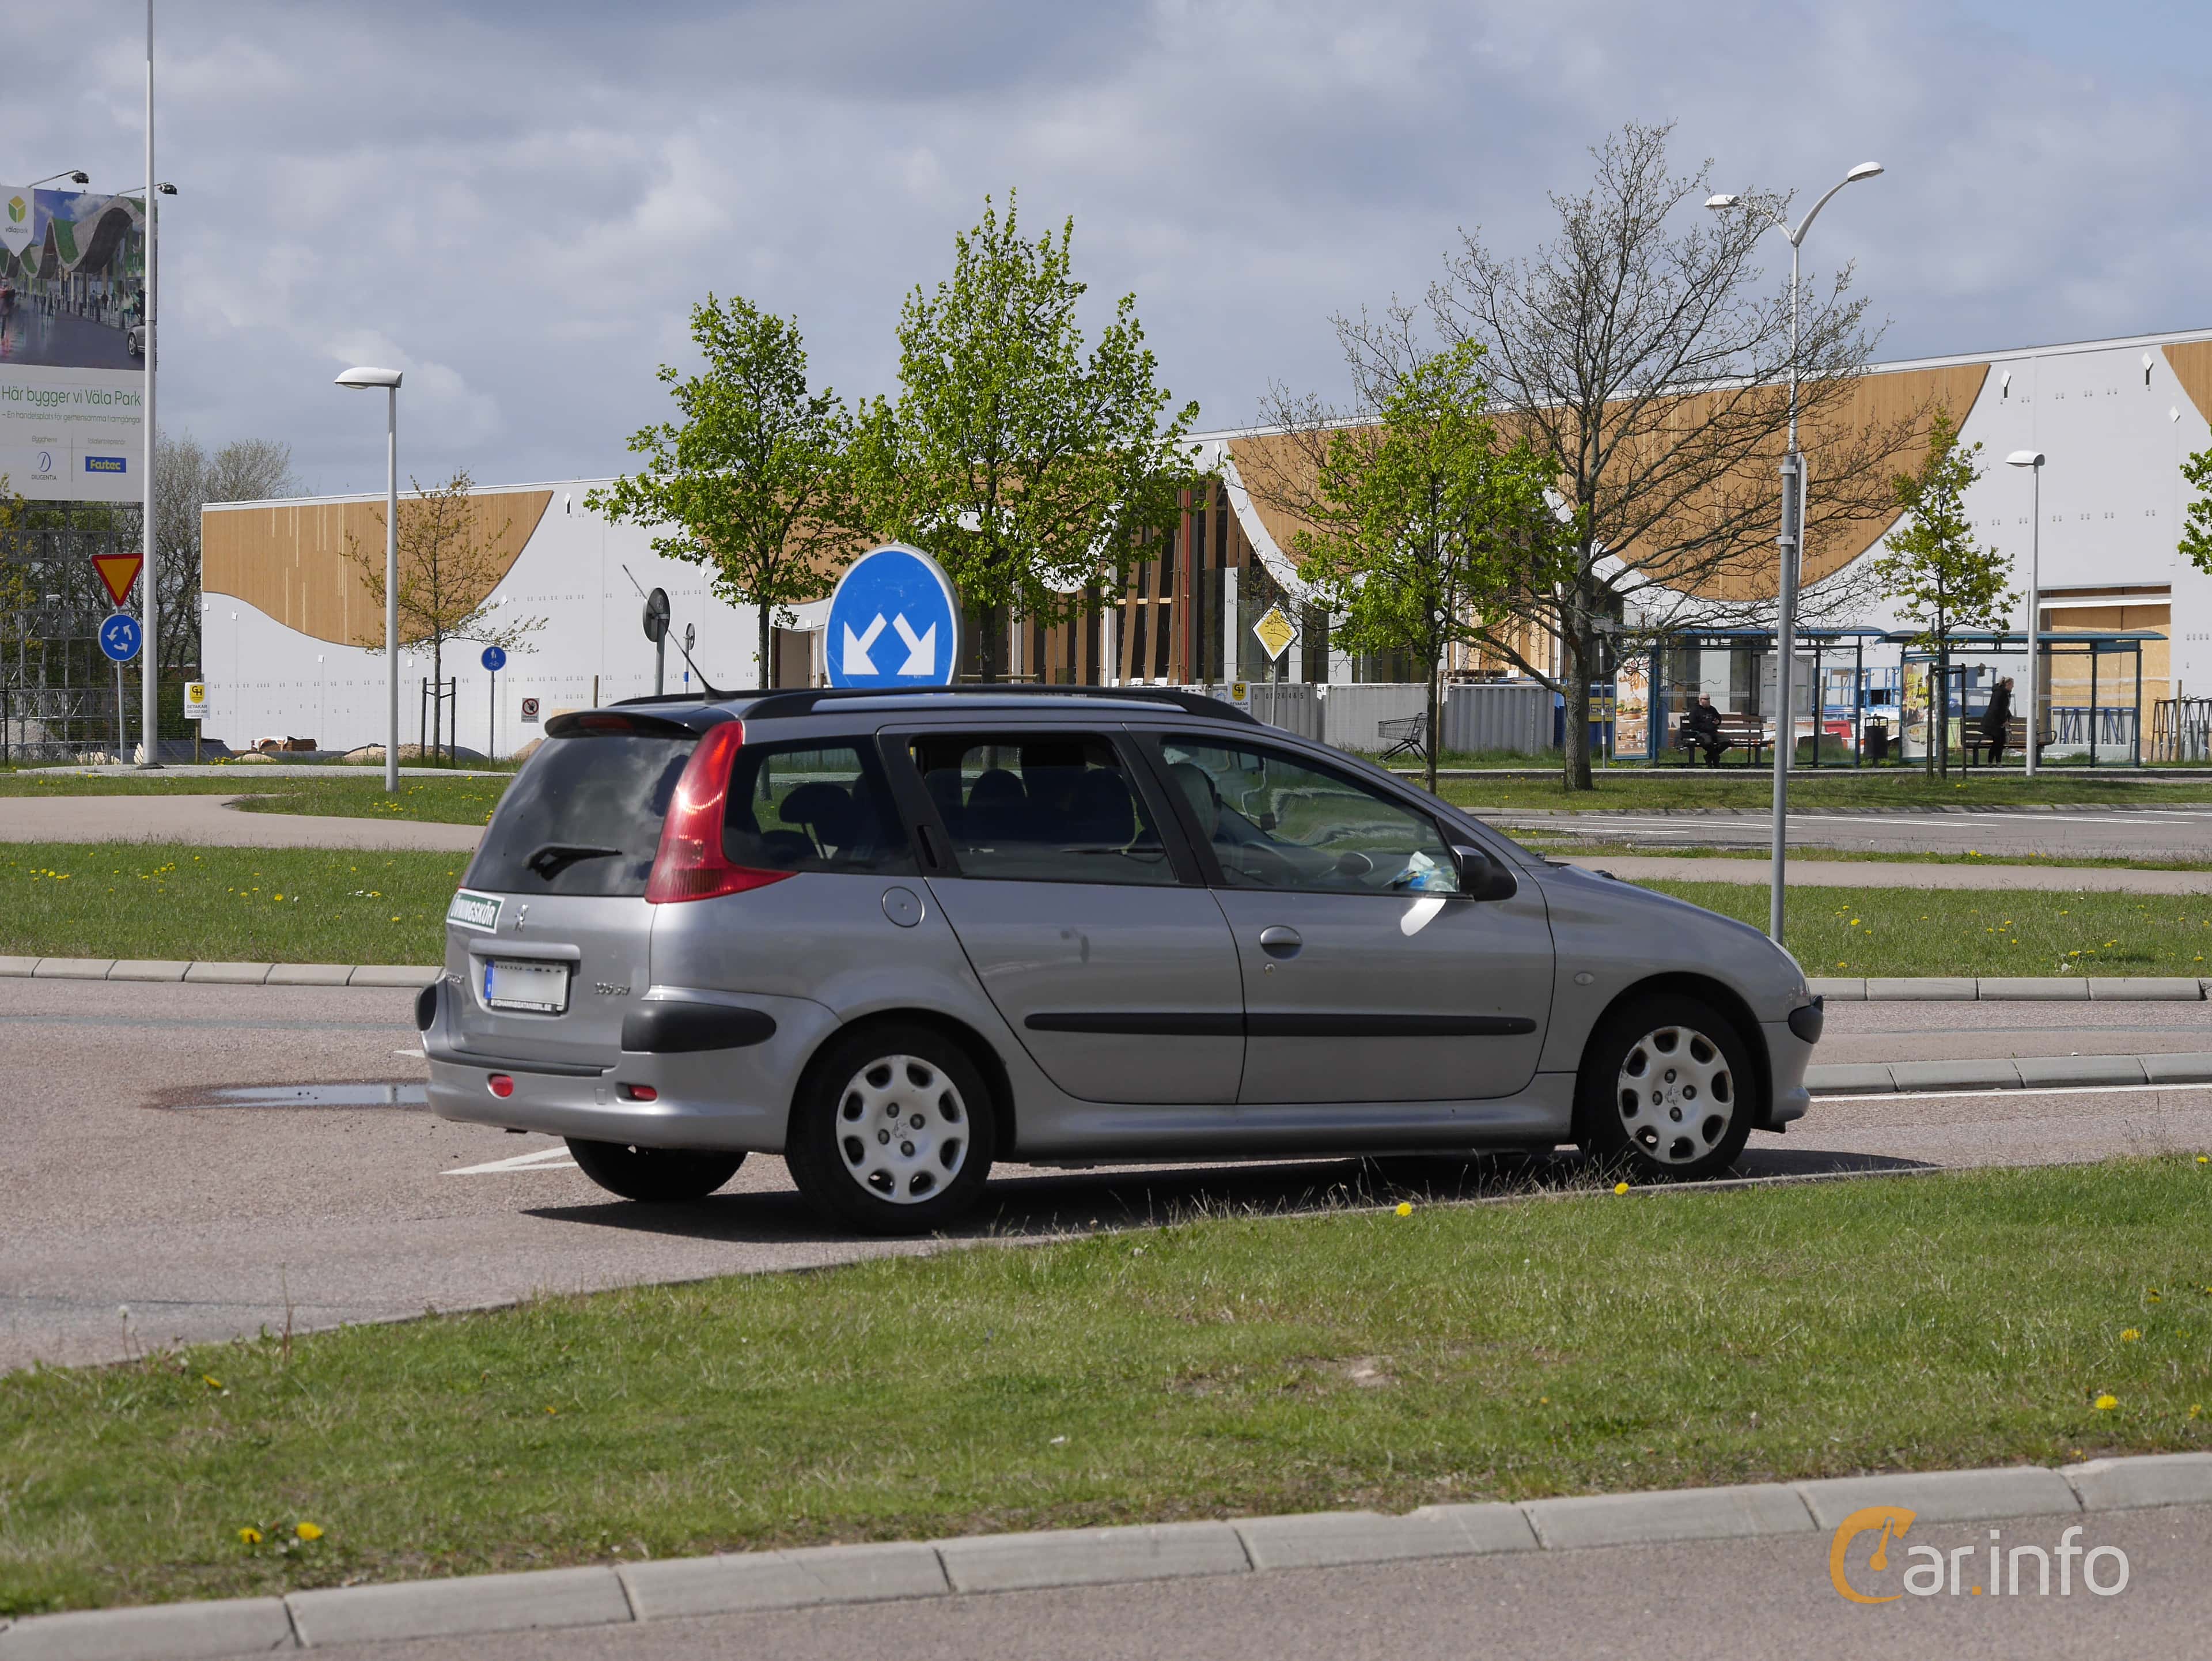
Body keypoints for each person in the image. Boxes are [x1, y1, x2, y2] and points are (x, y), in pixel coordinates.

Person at [1680, 694, 1726, 767]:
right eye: (1706, 699)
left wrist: (1718, 721)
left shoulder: (1712, 709)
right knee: (1708, 742)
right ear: (1701, 700)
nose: (1708, 701)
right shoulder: (1695, 710)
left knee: (1727, 741)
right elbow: (1694, 725)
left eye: (1709, 699)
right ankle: (1716, 760)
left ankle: (1710, 757)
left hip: (1713, 732)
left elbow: (1718, 717)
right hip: (1701, 733)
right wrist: (1707, 727)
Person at [1981, 675, 2014, 765]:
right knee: (1999, 742)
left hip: (1997, 721)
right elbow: (1997, 708)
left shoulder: (2005, 693)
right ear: (2008, 684)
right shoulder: (2000, 693)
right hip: (1994, 722)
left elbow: (2005, 708)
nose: (2013, 687)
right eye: (2012, 684)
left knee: (1999, 742)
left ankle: (1994, 762)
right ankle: (1994, 762)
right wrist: (2004, 721)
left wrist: (2009, 716)